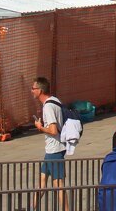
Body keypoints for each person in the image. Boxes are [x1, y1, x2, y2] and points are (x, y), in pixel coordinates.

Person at [30, 77, 70, 211]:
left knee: (58, 185)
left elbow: (53, 130)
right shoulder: (55, 100)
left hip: (55, 150)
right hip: (51, 150)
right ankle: (33, 208)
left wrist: (40, 127)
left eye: (33, 88)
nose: (32, 91)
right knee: (42, 182)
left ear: (40, 90)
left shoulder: (48, 106)